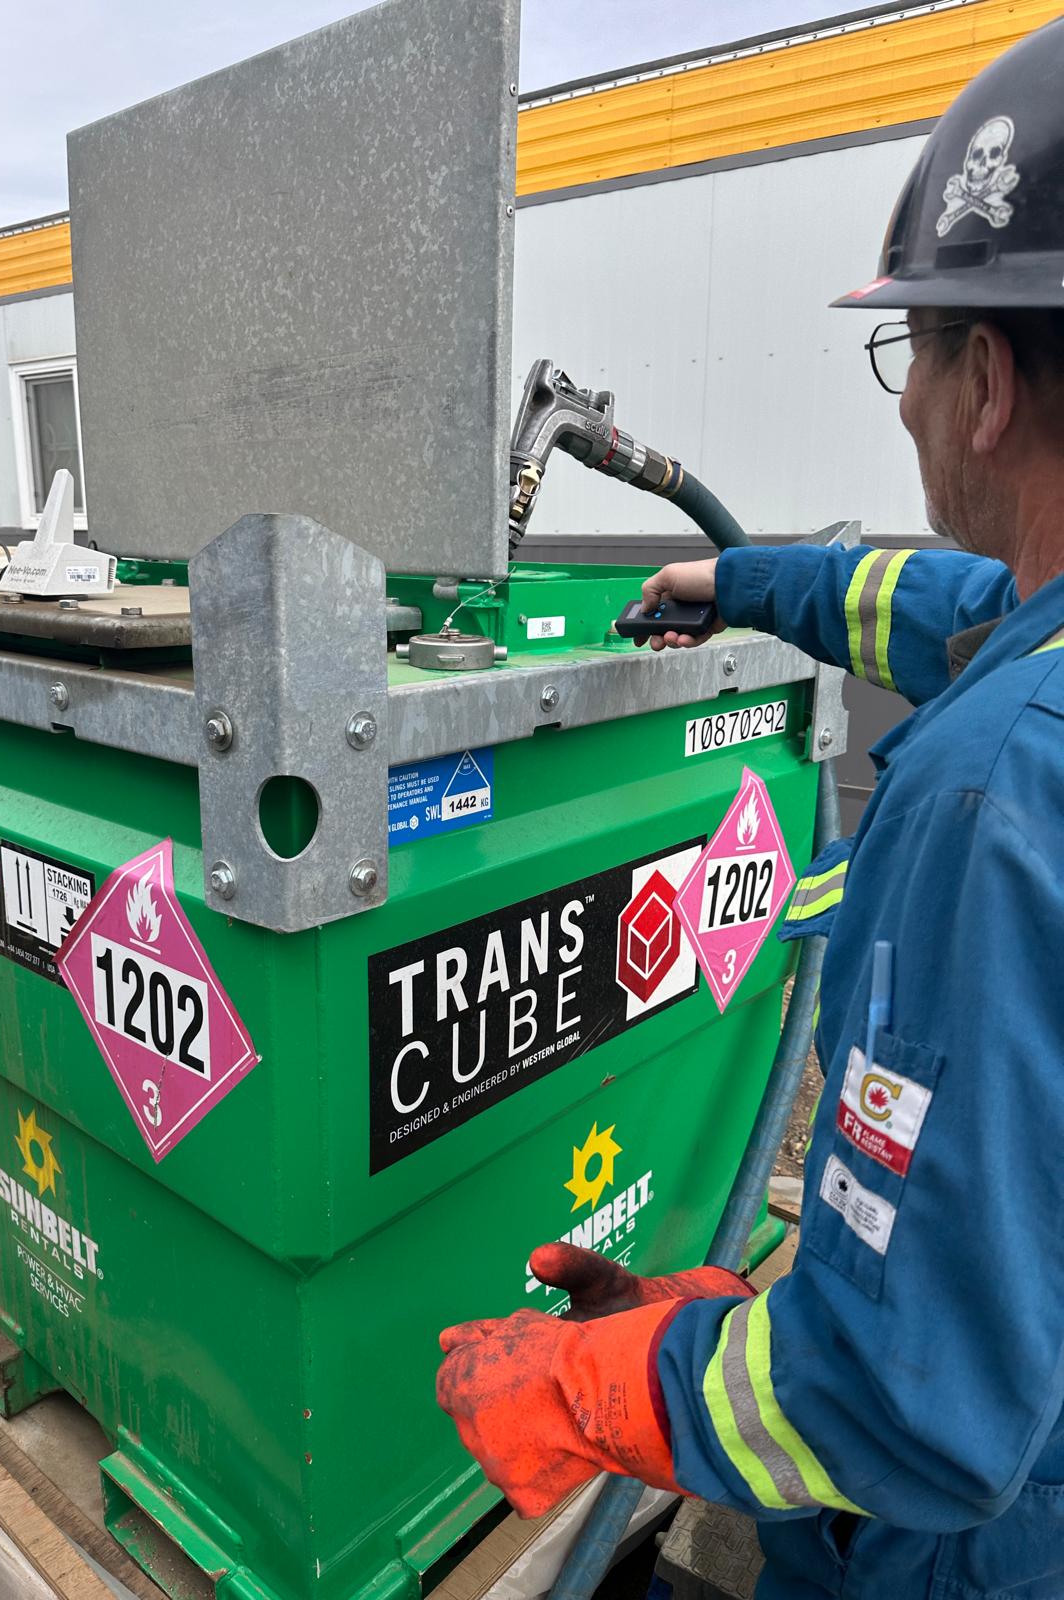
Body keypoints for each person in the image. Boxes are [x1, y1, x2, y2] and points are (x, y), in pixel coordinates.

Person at [437, 19, 1064, 1598]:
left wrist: (601, 1385)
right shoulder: (1025, 650)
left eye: (910, 352)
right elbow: (961, 609)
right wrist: (736, 577)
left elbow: (906, 1407)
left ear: (983, 378)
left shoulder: (995, 796)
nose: (905, 401)